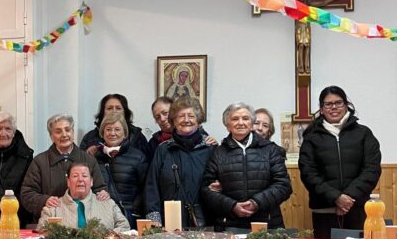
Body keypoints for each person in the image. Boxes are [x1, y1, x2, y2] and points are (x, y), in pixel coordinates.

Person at [299, 86, 382, 239]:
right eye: (328, 104)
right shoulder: (311, 137)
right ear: (321, 109)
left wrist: (348, 198)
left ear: (346, 105)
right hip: (324, 211)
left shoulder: (363, 133)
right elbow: (308, 173)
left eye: (338, 102)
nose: (334, 107)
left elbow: (372, 169)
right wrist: (336, 197)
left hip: (356, 208)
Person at [201, 103, 292, 231]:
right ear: (227, 125)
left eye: (245, 118)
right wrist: (232, 206)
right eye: (235, 119)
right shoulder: (218, 153)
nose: (241, 123)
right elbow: (206, 191)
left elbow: (284, 186)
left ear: (251, 123)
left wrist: (256, 202)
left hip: (267, 223)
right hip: (229, 225)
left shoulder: (270, 150)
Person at [21, 114, 110, 221]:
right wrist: (44, 200)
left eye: (67, 130)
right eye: (58, 132)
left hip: (85, 222)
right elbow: (27, 194)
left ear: (73, 132)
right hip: (50, 221)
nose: (64, 135)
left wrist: (103, 193)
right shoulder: (39, 161)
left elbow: (100, 188)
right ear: (51, 136)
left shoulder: (89, 160)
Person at [144, 96, 215, 228]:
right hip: (170, 222)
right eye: (181, 116)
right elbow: (152, 186)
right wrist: (154, 218)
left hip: (205, 222)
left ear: (198, 120)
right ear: (174, 121)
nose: (186, 120)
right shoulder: (162, 150)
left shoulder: (211, 149)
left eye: (191, 116)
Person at [36, 163, 130, 233]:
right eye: (75, 176)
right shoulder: (53, 208)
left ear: (91, 181)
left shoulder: (108, 204)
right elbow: (41, 233)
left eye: (84, 176)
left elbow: (125, 227)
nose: (80, 179)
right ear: (68, 182)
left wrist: (108, 237)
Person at [93, 112, 149, 228]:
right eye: (108, 129)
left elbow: (146, 188)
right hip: (103, 217)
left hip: (129, 216)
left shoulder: (138, 157)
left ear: (125, 133)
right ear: (102, 133)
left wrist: (134, 209)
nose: (112, 133)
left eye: (117, 129)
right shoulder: (93, 158)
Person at [79, 94, 149, 157]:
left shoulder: (137, 136)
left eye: (118, 108)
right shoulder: (90, 137)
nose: (114, 111)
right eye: (110, 108)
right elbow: (80, 161)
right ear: (103, 112)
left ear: (125, 112)